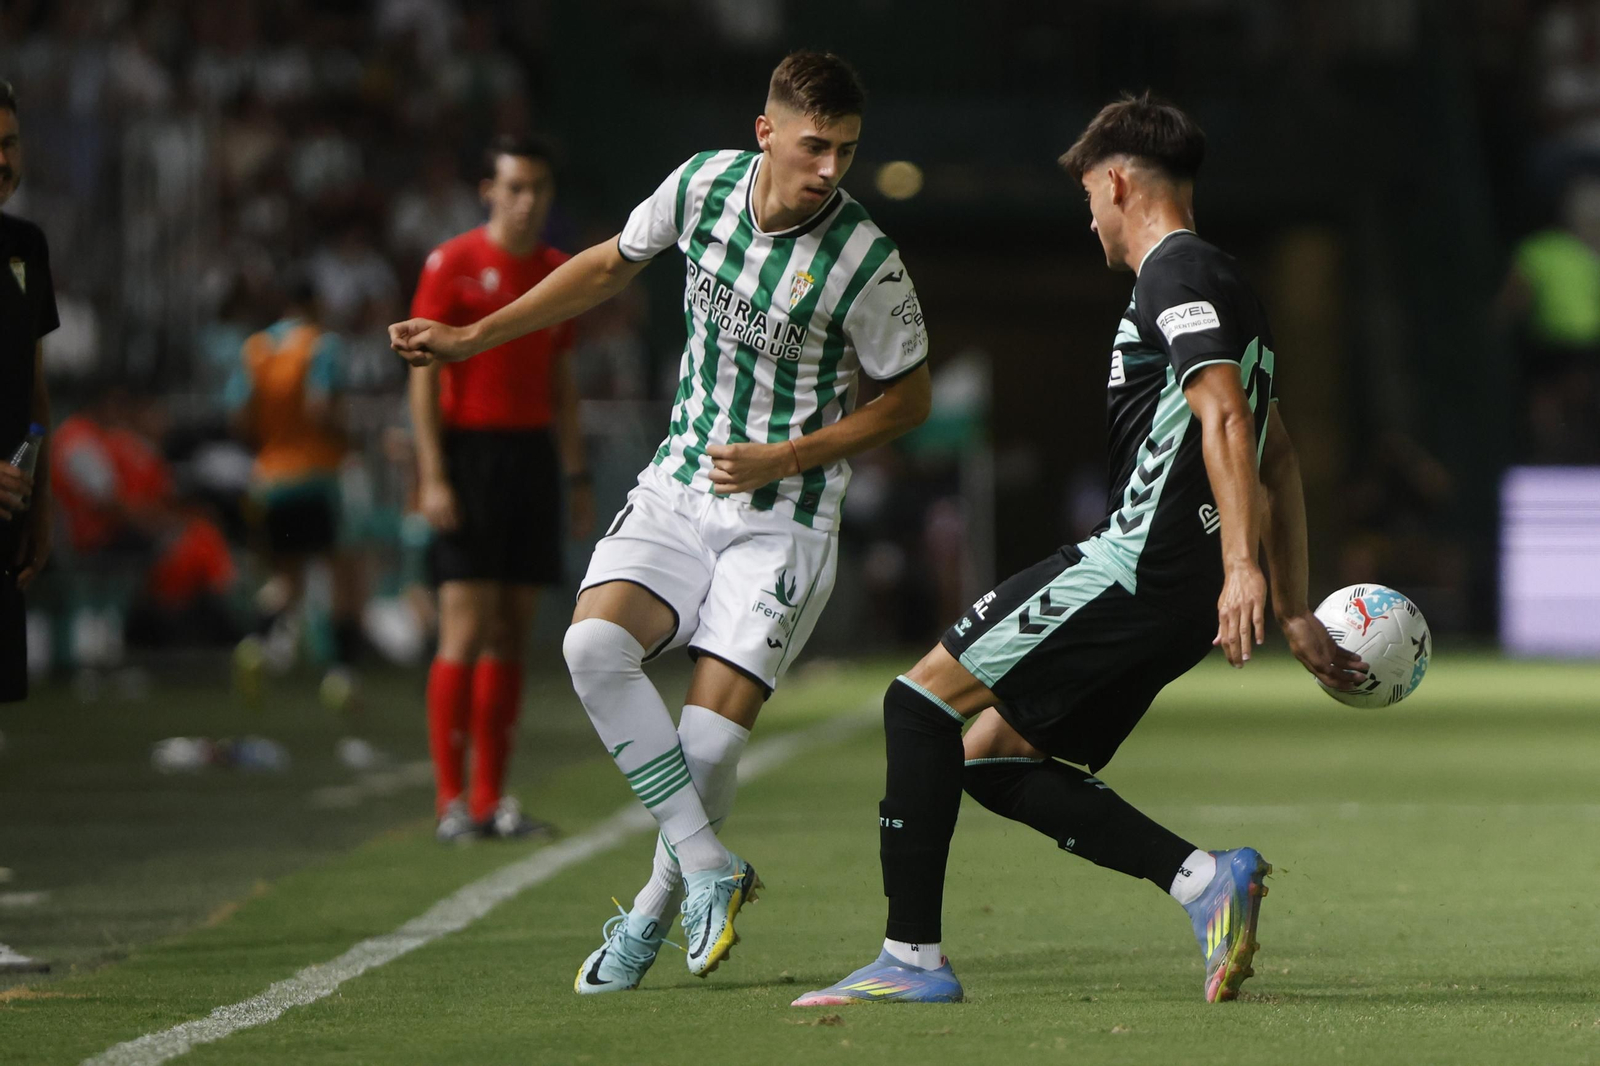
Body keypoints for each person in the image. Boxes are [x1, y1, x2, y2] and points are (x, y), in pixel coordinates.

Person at [795, 92, 1368, 1009]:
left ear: (1116, 182)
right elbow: (1279, 448)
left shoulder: (1174, 273)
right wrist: (1292, 604)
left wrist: (1242, 571)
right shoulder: (1230, 282)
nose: (1089, 220)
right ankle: (1202, 881)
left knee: (918, 705)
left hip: (1143, 565)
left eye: (1089, 200)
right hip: (1179, 587)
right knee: (993, 754)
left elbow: (1225, 416)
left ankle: (910, 960)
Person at [390, 51, 931, 987]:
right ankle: (713, 866)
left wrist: (790, 455)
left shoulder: (867, 260)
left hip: (785, 519)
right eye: (815, 147)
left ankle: (649, 911)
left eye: (845, 150)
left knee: (709, 745)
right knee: (591, 651)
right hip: (679, 488)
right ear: (766, 133)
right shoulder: (702, 185)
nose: (831, 169)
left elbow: (910, 399)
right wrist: (475, 338)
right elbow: (606, 267)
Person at [408, 135, 593, 842]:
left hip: (531, 458)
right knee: (465, 624)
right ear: (488, 190)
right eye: (514, 187)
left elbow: (562, 383)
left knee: (512, 630)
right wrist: (432, 474)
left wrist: (575, 476)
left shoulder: (554, 271)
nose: (526, 201)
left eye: (538, 189)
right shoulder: (451, 264)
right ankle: (451, 801)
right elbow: (422, 377)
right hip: (470, 457)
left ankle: (492, 799)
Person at [228, 278, 363, 714]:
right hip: (318, 474)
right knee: (344, 574)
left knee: (287, 579)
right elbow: (320, 407)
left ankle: (254, 642)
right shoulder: (321, 346)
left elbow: (238, 415)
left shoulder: (257, 349)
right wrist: (347, 436)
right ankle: (342, 675)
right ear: (313, 304)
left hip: (270, 477)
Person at [0, 78, 57, 705]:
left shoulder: (25, 248)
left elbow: (33, 388)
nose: (2, 160)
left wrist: (41, 495)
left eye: (10, 143)